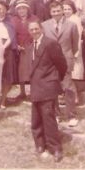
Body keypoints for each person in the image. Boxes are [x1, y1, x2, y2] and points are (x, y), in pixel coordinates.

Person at [27, 21, 67, 162]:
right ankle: (40, 145)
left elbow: (62, 64)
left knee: (48, 117)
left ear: (41, 29)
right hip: (36, 86)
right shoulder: (30, 46)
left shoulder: (50, 43)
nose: (34, 31)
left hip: (48, 86)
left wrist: (54, 79)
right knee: (36, 118)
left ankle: (55, 148)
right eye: (31, 29)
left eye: (36, 29)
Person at [42, 2, 79, 126]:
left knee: (68, 87)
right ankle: (56, 114)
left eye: (58, 11)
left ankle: (71, 115)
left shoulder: (72, 25)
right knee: (52, 88)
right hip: (51, 61)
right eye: (54, 12)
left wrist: (68, 56)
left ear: (62, 11)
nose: (56, 13)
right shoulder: (45, 25)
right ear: (50, 13)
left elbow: (74, 45)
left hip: (66, 60)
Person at [62, 0, 85, 107]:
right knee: (68, 76)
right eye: (65, 9)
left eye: (69, 9)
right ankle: (69, 97)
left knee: (74, 76)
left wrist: (76, 53)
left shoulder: (75, 20)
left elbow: (79, 37)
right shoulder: (64, 20)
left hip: (74, 51)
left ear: (73, 9)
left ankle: (76, 98)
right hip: (66, 52)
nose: (66, 11)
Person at [0, 0, 18, 109]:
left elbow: (11, 37)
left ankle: (3, 100)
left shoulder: (10, 21)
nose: (1, 10)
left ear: (6, 9)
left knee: (7, 77)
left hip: (7, 52)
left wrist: (3, 48)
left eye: (3, 8)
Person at [12, 0, 33, 100]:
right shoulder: (13, 20)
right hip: (18, 48)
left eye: (23, 8)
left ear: (27, 9)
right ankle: (22, 92)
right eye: (19, 9)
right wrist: (16, 45)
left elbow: (38, 32)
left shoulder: (34, 19)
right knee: (20, 71)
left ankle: (33, 92)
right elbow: (11, 34)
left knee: (31, 69)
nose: (21, 10)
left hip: (30, 47)